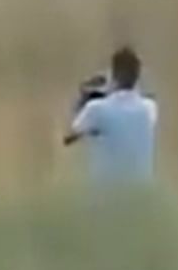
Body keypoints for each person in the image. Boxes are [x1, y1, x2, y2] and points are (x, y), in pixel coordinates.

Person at [63, 46, 158, 185]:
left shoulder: (96, 109)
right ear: (138, 76)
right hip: (141, 194)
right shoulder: (150, 108)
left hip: (106, 195)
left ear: (113, 75)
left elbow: (68, 137)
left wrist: (84, 96)